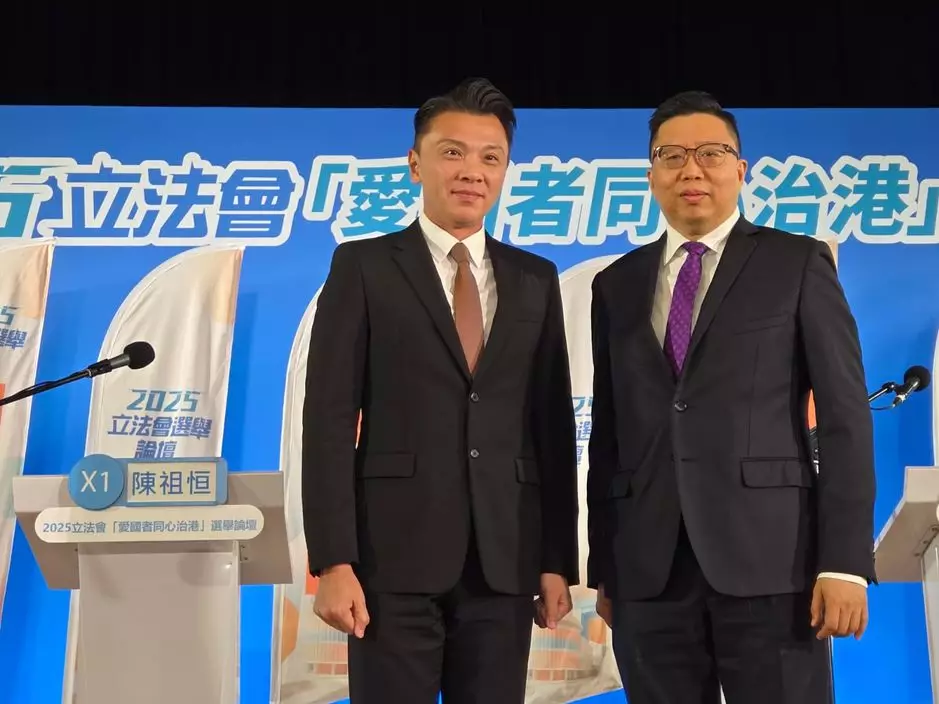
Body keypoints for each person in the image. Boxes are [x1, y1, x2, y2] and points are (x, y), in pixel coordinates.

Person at [586, 90, 875, 704]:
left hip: (773, 563)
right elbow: (609, 434)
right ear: (651, 175)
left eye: (711, 154)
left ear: (740, 170)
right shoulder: (616, 284)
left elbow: (845, 417)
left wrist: (845, 561)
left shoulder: (796, 263)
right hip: (648, 572)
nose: (691, 169)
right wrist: (605, 566)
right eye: (672, 156)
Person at [301, 77, 580, 704]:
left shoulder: (535, 278)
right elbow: (327, 420)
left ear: (505, 171)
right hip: (390, 558)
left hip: (504, 558)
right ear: (415, 162)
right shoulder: (364, 266)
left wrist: (555, 558)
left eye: (490, 157)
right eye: (452, 152)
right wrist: (334, 562)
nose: (471, 171)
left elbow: (550, 428)